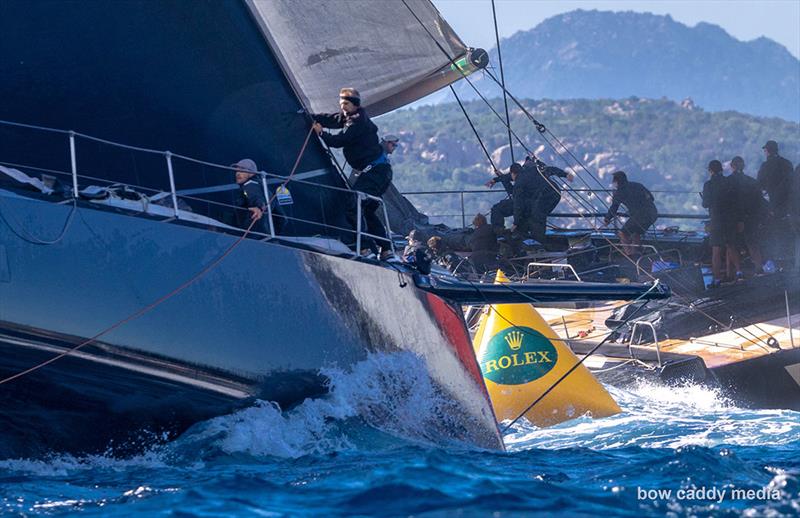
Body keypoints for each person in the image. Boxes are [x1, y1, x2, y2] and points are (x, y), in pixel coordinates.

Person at [312, 87, 394, 259]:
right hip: (377, 173)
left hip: (375, 173)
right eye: (342, 104)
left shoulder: (358, 123)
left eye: (346, 104)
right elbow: (334, 119)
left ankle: (365, 248)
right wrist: (312, 117)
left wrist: (321, 133)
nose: (343, 107)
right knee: (367, 211)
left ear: (355, 105)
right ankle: (386, 249)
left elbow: (340, 140)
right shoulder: (350, 117)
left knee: (353, 205)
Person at [702, 160, 741, 286]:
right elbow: (736, 201)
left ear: (710, 170)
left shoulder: (709, 184)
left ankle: (717, 279)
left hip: (717, 220)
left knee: (716, 250)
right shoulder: (729, 182)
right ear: (721, 170)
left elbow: (705, 204)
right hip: (730, 220)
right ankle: (739, 272)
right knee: (731, 246)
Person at [727, 156, 767, 275]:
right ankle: (759, 268)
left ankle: (736, 272)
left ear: (732, 166)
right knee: (752, 243)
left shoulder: (727, 182)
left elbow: (726, 202)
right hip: (751, 218)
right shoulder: (751, 181)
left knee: (731, 245)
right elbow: (760, 201)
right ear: (743, 166)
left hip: (733, 219)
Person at [604, 170, 658, 257]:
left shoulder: (619, 192)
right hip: (653, 213)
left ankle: (629, 254)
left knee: (622, 233)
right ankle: (637, 253)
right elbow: (651, 198)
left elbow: (614, 207)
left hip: (640, 216)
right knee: (636, 232)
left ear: (616, 181)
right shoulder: (637, 185)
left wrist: (607, 219)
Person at [757, 140, 794, 219]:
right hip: (787, 204)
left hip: (772, 204)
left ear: (767, 151)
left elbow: (759, 185)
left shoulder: (765, 166)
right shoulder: (787, 163)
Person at [232, 158, 270, 235]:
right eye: (237, 171)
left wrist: (258, 207)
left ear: (251, 173)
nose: (238, 173)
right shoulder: (257, 185)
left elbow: (254, 197)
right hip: (260, 234)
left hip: (253, 235)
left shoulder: (249, 185)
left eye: (242, 170)